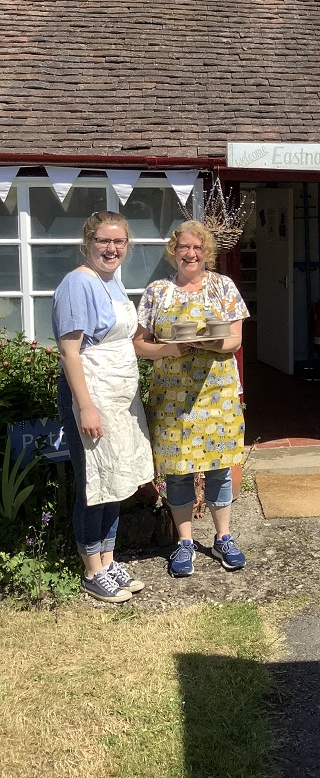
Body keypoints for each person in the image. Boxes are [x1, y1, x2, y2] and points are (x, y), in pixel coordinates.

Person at [135, 220, 249, 578]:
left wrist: (213, 343)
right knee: (179, 472)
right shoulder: (157, 292)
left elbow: (235, 340)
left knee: (218, 467)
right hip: (172, 396)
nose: (191, 254)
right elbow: (139, 344)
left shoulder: (223, 287)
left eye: (197, 248)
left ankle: (223, 537)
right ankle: (184, 542)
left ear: (207, 252)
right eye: (184, 247)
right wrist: (168, 348)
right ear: (174, 250)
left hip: (217, 392)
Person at [52, 211, 155, 603]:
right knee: (94, 484)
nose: (111, 249)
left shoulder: (112, 282)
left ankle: (109, 561)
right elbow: (69, 352)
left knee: (114, 480)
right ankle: (92, 569)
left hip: (117, 397)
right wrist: (86, 408)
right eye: (103, 241)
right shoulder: (78, 283)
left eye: (119, 242)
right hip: (91, 396)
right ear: (88, 242)